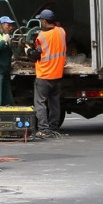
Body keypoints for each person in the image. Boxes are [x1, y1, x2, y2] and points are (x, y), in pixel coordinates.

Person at [31, 9, 67, 139]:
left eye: (41, 20)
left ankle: (44, 130)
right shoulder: (62, 32)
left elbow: (36, 54)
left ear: (45, 22)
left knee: (40, 104)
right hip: (57, 75)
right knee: (54, 103)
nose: (40, 22)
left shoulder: (41, 37)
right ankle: (53, 128)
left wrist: (28, 51)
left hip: (44, 76)